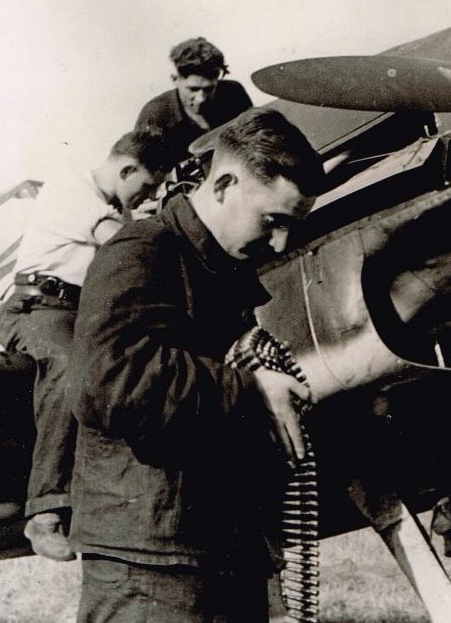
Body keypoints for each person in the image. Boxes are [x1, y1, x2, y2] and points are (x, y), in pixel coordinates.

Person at [67, 107, 325, 622]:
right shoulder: (141, 251)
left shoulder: (220, 270)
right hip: (153, 558)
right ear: (224, 184)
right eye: (272, 221)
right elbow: (109, 383)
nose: (281, 243)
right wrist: (250, 389)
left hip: (219, 549)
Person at [0, 130, 173, 561]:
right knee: (69, 368)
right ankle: (45, 514)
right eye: (144, 185)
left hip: (78, 313)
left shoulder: (112, 208)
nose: (144, 195)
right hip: (38, 307)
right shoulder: (71, 185)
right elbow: (120, 241)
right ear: (126, 169)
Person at [135, 36, 253, 168]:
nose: (201, 98)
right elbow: (146, 171)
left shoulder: (234, 93)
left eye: (209, 89)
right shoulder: (154, 115)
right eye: (193, 89)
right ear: (175, 79)